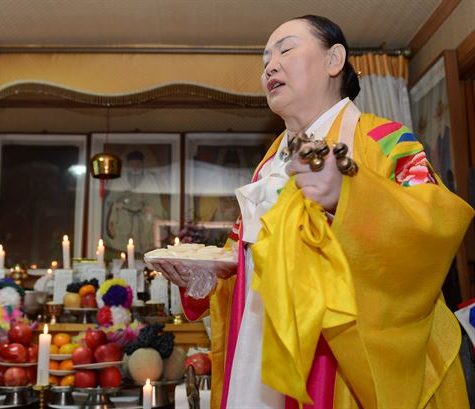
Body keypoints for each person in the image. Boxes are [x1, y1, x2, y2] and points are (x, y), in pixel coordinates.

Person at [153, 15, 473, 409]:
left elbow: (433, 223)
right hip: (260, 350)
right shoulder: (269, 165)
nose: (270, 65)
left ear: (334, 59)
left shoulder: (381, 140)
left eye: (286, 49)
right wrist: (203, 279)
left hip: (344, 364)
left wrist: (350, 195)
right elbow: (245, 262)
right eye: (265, 59)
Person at [103, 150, 167, 256]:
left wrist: (150, 208)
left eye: (138, 164)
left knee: (146, 233)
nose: (135, 167)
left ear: (142, 165)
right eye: (132, 164)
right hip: (123, 217)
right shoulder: (118, 180)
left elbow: (155, 202)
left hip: (143, 217)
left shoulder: (150, 180)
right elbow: (110, 201)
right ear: (128, 165)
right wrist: (116, 205)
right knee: (123, 243)